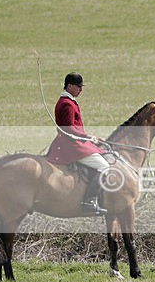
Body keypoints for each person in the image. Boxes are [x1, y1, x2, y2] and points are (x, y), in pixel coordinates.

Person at [46, 72, 109, 215]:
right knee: (104, 166)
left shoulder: (67, 101)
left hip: (72, 141)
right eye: (78, 87)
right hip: (72, 145)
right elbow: (70, 129)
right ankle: (90, 201)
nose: (81, 90)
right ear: (69, 86)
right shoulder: (67, 104)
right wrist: (89, 137)